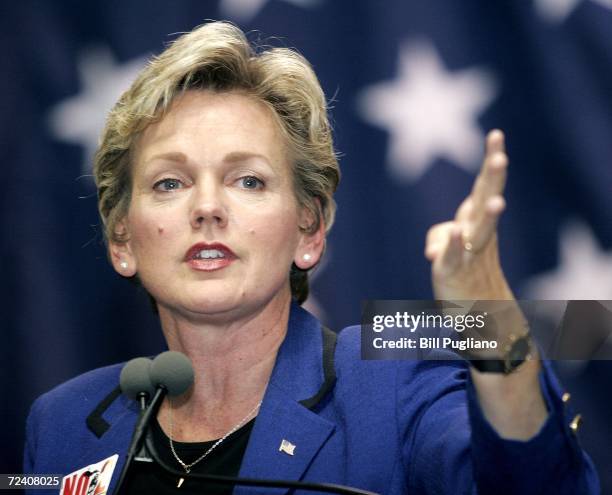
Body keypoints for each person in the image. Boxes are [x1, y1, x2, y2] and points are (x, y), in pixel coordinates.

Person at [23, 21, 598, 494]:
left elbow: (537, 483)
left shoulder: (391, 386)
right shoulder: (65, 424)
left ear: (310, 230)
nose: (206, 208)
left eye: (247, 181)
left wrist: (488, 313)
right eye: (169, 183)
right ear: (122, 240)